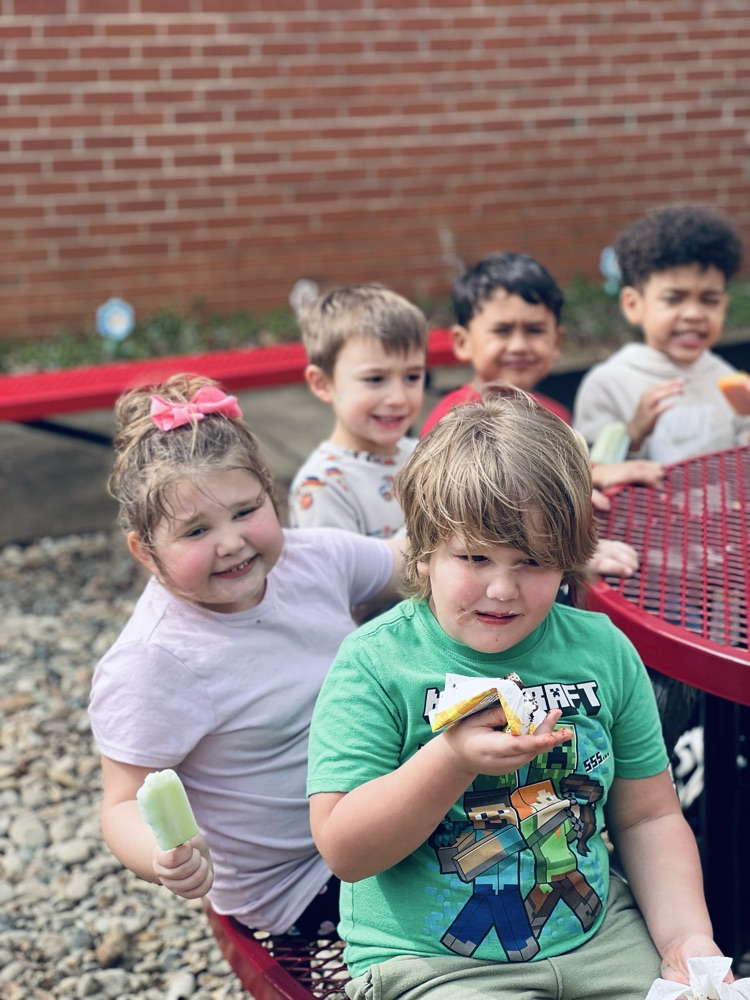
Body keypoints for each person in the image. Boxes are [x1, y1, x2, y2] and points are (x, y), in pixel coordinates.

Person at [307, 391, 727, 1000]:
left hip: (599, 937)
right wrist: (450, 760)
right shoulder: (376, 664)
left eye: (532, 561)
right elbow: (345, 849)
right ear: (424, 554)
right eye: (474, 556)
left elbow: (650, 815)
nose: (502, 588)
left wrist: (686, 939)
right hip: (435, 965)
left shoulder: (601, 650)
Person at [88, 374, 403, 938]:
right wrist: (162, 855)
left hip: (372, 812)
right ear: (145, 551)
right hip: (303, 881)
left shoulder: (312, 559)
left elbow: (412, 558)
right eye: (195, 531)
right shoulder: (155, 661)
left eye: (244, 511)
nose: (230, 542)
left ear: (270, 494)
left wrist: (525, 547)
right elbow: (120, 805)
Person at [421, 250, 664, 491]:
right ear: (463, 342)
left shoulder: (555, 416)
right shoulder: (452, 420)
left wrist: (624, 444)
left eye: (535, 330)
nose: (519, 346)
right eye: (502, 331)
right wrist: (588, 482)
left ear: (556, 342)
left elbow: (573, 474)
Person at [573, 202, 750, 463]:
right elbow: (586, 472)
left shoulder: (724, 376)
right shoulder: (607, 384)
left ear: (723, 305)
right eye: (673, 299)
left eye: (709, 300)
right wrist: (633, 433)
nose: (693, 314)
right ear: (633, 305)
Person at [289, 283, 428, 538]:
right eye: (375, 379)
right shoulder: (323, 486)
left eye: (412, 377)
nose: (398, 398)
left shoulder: (424, 457)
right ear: (322, 384)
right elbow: (337, 574)